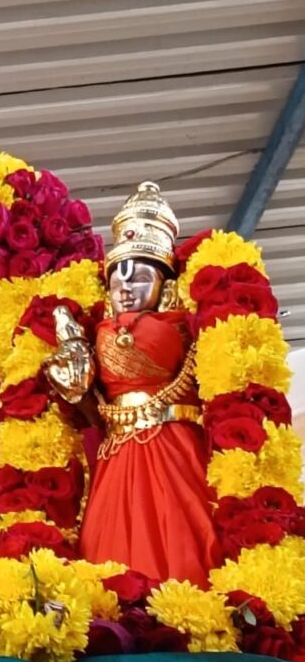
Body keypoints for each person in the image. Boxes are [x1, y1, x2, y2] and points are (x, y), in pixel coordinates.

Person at [46, 181, 221, 586]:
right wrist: (75, 385)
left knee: (181, 550)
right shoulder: (98, 330)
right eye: (117, 283)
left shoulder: (187, 328)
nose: (126, 289)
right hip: (117, 450)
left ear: (166, 286)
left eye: (140, 279)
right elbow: (95, 413)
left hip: (174, 445)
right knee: (109, 554)